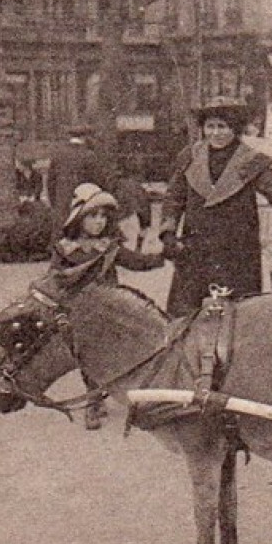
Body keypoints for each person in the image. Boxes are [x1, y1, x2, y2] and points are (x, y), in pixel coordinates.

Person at [159, 97, 272, 317]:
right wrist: (168, 233)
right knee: (185, 314)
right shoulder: (190, 157)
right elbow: (174, 197)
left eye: (223, 126)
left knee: (239, 315)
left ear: (235, 128)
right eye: (210, 126)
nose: (216, 133)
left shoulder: (251, 160)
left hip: (237, 253)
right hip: (195, 250)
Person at [51, 183, 167, 427]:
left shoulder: (110, 247)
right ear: (78, 218)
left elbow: (136, 261)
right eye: (93, 216)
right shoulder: (65, 249)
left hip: (110, 310)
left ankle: (132, 397)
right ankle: (93, 401)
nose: (99, 222)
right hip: (80, 312)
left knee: (125, 350)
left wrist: (162, 257)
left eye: (104, 216)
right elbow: (56, 280)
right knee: (88, 356)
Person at [47, 125, 115, 214]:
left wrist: (56, 205)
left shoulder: (58, 155)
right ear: (85, 137)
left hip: (62, 207)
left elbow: (51, 183)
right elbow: (99, 182)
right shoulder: (89, 156)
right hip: (82, 207)